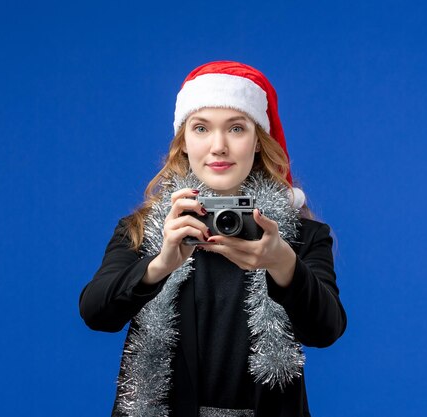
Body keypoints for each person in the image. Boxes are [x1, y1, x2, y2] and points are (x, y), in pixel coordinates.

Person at [79, 61, 347, 417]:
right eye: (201, 128)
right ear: (184, 143)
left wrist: (281, 261)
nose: (218, 146)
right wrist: (160, 264)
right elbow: (96, 313)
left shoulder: (300, 236)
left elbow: (326, 330)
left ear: (257, 143)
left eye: (236, 128)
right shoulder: (144, 229)